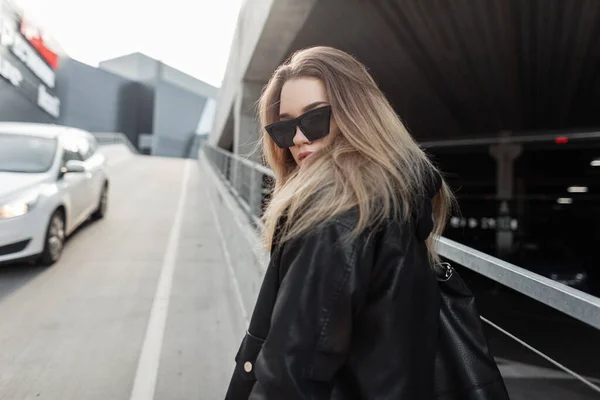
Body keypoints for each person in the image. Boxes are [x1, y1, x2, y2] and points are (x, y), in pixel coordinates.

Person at [225, 46, 455, 399]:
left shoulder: (333, 218)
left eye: (315, 118)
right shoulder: (396, 199)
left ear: (357, 114)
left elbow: (288, 379)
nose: (298, 139)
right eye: (285, 127)